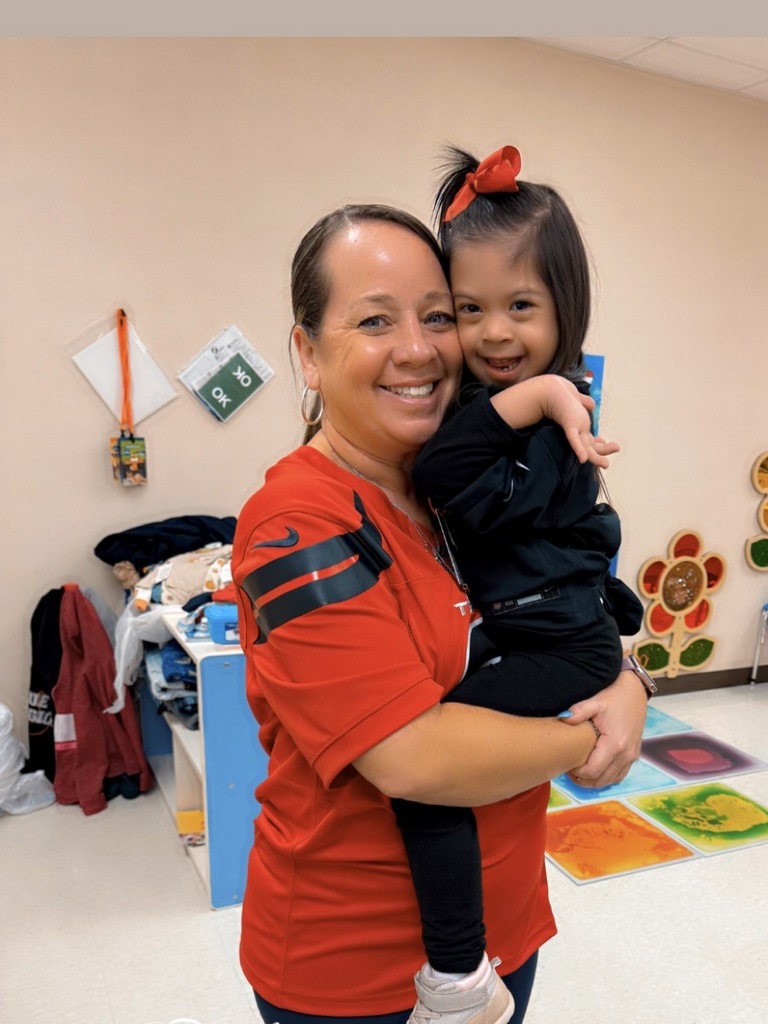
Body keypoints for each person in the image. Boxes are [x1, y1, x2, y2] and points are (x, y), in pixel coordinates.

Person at [232, 202, 650, 1024]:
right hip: (362, 976)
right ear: (308, 354)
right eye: (375, 320)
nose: (420, 348)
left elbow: (561, 603)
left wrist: (627, 677)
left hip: (508, 935)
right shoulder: (297, 525)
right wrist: (597, 731)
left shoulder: (453, 494)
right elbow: (413, 760)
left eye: (435, 316)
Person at [387, 145, 648, 1024]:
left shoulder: (552, 419)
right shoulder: (497, 402)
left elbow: (439, 474)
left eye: (522, 306)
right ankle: (462, 967)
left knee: (425, 770)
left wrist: (534, 400)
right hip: (539, 628)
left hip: (560, 642)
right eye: (471, 309)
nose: (496, 333)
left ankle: (456, 979)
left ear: (564, 310)